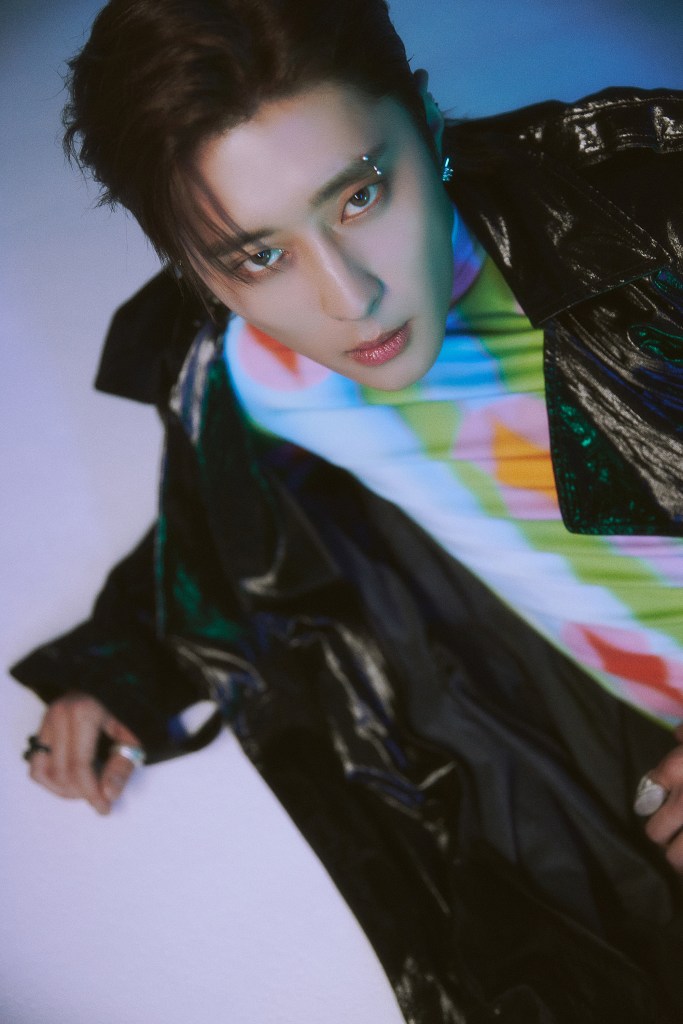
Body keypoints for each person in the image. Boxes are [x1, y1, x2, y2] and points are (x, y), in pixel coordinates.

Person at [11, 0, 683, 1019]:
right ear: (192, 269)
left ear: (426, 119)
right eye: (257, 255)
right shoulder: (249, 376)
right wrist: (122, 664)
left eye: (360, 195)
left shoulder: (648, 218)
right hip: (598, 731)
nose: (348, 297)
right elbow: (226, 526)